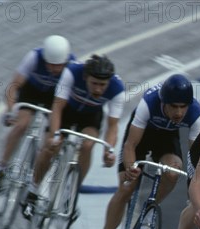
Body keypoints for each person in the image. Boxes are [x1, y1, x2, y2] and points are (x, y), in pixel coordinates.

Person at [90, 74, 200, 229]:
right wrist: (131, 167)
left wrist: (193, 189)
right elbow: (130, 145)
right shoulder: (149, 104)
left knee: (173, 171)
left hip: (166, 139)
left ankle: (149, 211)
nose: (179, 112)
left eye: (183, 107)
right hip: (140, 136)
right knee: (126, 188)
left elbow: (196, 158)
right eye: (174, 107)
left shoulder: (196, 113)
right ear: (164, 103)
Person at [22, 54, 125, 219]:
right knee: (50, 148)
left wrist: (110, 150)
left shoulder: (118, 88)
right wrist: (55, 135)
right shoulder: (72, 72)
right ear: (85, 77)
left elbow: (113, 125)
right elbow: (57, 107)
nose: (98, 89)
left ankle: (72, 194)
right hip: (66, 111)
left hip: (91, 116)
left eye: (102, 85)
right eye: (94, 84)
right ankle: (33, 191)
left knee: (88, 145)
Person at [0, 35, 75, 193]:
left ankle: (36, 177)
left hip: (54, 98)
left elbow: (70, 99)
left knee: (50, 141)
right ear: (44, 58)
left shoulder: (72, 66)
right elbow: (13, 87)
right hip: (31, 92)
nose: (54, 69)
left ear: (65, 61)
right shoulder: (33, 57)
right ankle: (1, 167)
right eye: (50, 65)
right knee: (21, 125)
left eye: (58, 66)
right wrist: (10, 111)